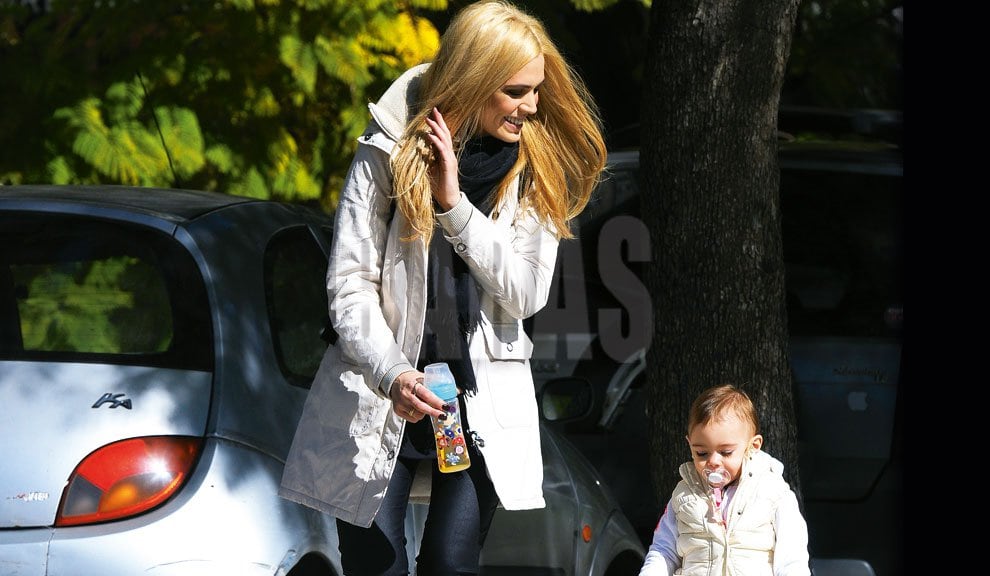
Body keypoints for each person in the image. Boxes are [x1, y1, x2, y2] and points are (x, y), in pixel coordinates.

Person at [278, 1, 607, 574]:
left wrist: (454, 207)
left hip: (476, 401)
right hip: (382, 391)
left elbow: (526, 293)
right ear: (473, 79)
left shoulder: (535, 166)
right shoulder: (386, 146)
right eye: (515, 91)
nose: (531, 106)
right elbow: (350, 283)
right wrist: (392, 374)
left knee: (451, 566)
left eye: (537, 90)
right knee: (373, 566)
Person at [638, 384, 811, 576]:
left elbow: (791, 559)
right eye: (701, 453)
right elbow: (663, 551)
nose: (712, 461)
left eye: (726, 452)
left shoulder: (773, 492)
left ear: (752, 446)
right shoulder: (684, 495)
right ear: (690, 445)